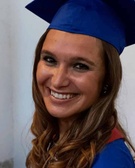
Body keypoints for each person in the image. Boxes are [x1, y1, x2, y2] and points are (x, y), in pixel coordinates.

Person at [25, 0, 135, 167]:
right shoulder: (56, 136)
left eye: (80, 66)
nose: (58, 80)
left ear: (107, 79)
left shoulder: (110, 160)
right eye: (50, 60)